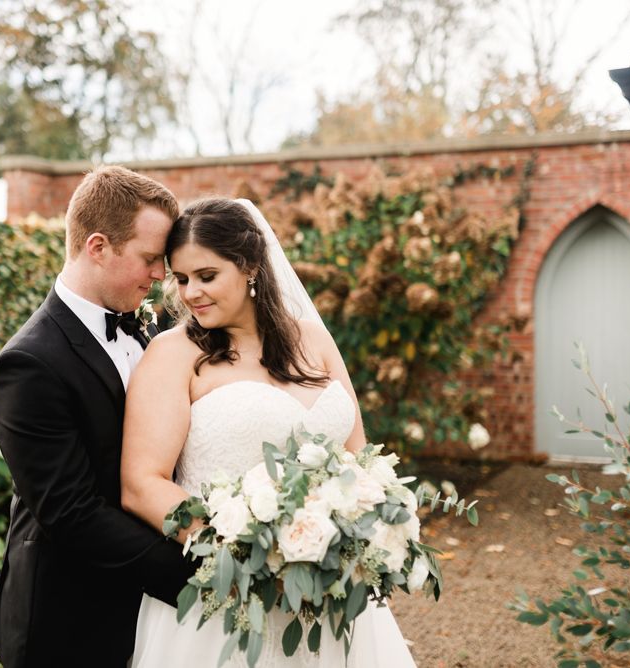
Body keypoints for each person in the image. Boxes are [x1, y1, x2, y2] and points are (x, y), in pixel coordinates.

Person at [121, 197, 416, 667]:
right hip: (227, 600)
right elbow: (142, 485)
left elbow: (360, 458)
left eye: (207, 276)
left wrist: (364, 538)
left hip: (330, 592)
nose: (191, 293)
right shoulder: (172, 354)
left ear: (250, 266)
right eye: (181, 279)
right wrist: (249, 556)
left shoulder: (312, 339)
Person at [0, 165, 196, 668]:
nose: (161, 276)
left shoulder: (156, 332)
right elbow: (71, 512)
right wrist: (204, 572)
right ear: (98, 247)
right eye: (150, 259)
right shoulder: (29, 364)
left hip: (148, 615)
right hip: (69, 621)